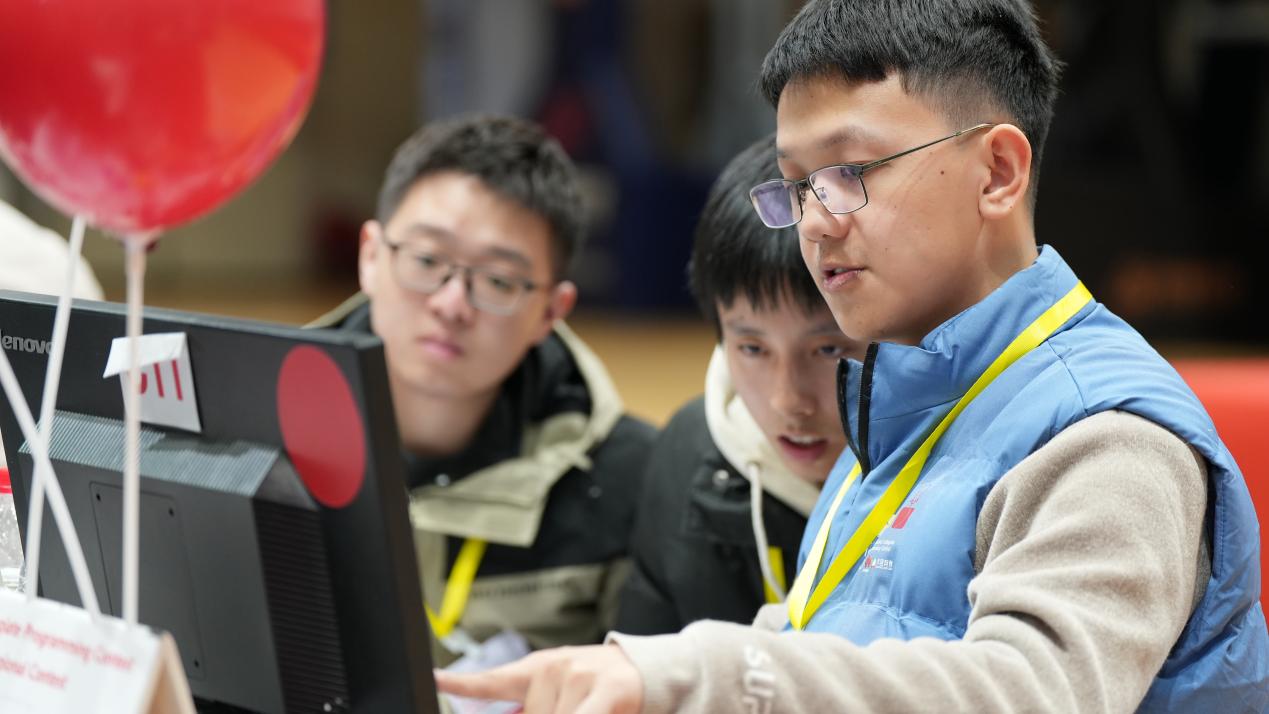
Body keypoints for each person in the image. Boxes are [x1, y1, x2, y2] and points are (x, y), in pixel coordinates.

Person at [435, 1, 1269, 711]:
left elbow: (1025, 691)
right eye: (797, 184)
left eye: (849, 171)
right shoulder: (900, 396)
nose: (814, 221)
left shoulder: (1107, 437)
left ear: (996, 172)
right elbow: (819, 636)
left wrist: (701, 674)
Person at [311, 114, 656, 666]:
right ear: (370, 257)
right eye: (427, 260)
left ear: (551, 311)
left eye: (497, 280)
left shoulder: (627, 479)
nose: (452, 304)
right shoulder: (255, 427)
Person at [616, 135, 862, 635]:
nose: (788, 401)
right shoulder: (687, 455)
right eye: (752, 348)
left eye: (828, 350)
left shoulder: (955, 467)